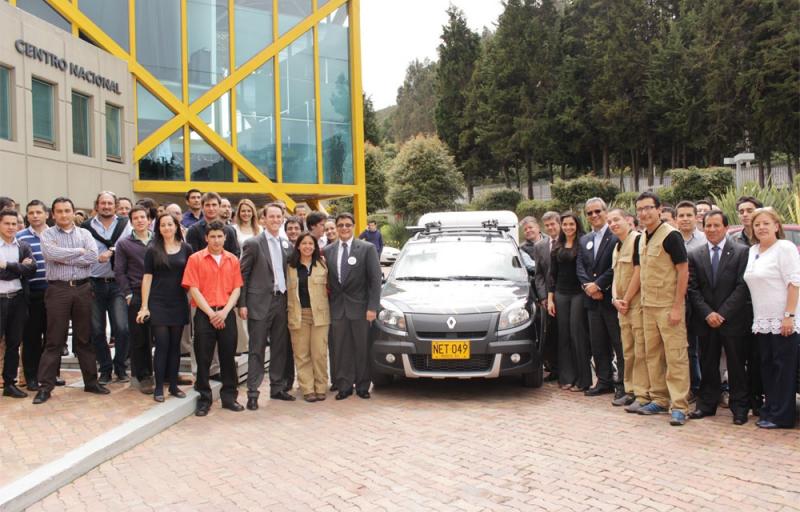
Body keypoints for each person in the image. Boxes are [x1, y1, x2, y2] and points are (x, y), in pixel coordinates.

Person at [34, 197, 109, 404]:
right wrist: (78, 252)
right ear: (53, 214)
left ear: (73, 212)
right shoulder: (48, 234)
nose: (63, 215)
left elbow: (92, 257)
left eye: (67, 210)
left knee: (84, 338)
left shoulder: (85, 234)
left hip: (83, 289)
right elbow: (51, 254)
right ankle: (45, 387)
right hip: (58, 290)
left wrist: (64, 257)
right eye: (59, 211)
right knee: (54, 340)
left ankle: (91, 382)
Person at [687, 211, 752, 425]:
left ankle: (740, 408)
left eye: (716, 225)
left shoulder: (741, 252)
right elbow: (692, 288)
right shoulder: (695, 254)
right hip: (706, 321)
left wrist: (722, 313)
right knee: (708, 364)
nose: (712, 229)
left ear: (726, 228)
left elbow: (742, 287)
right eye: (708, 225)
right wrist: (708, 313)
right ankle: (706, 405)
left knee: (736, 365)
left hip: (732, 320)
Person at [634, 191, 691, 426]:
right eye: (640, 209)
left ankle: (679, 406)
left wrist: (677, 307)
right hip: (648, 306)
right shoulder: (642, 237)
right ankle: (659, 398)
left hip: (668, 306)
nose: (644, 213)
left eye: (649, 208)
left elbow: (683, 271)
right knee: (653, 355)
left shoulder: (671, 235)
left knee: (676, 356)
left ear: (659, 209)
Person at [743, 207, 799, 429]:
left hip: (783, 320)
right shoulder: (753, 250)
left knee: (784, 369)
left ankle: (783, 416)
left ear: (776, 226)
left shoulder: (784, 248)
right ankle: (771, 410)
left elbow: (794, 283)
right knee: (767, 367)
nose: (761, 228)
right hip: (762, 321)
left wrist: (789, 316)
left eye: (766, 223)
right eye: (757, 224)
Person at [182, 221, 244, 416]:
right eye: (213, 236)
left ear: (225, 238)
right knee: (203, 358)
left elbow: (237, 288)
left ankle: (229, 397)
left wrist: (224, 312)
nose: (216, 240)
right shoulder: (195, 259)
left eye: (219, 236)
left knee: (228, 357)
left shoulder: (232, 259)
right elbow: (193, 289)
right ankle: (204, 399)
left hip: (226, 313)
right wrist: (211, 313)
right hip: (204, 313)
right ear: (206, 238)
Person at [239, 203, 294, 409]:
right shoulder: (253, 244)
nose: (275, 220)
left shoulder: (286, 244)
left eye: (279, 216)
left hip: (281, 301)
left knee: (280, 347)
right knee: (257, 349)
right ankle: (253, 393)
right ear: (263, 219)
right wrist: (242, 304)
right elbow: (243, 275)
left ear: (282, 219)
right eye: (271, 216)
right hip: (259, 303)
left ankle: (277, 388)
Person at [323, 212, 382, 400]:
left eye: (348, 225)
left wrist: (372, 307)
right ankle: (344, 385)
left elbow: (375, 280)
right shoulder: (328, 250)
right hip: (338, 309)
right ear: (336, 227)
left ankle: (363, 385)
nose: (344, 228)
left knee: (361, 347)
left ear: (354, 226)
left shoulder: (366, 248)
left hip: (361, 308)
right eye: (340, 225)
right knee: (341, 349)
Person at [139, 213, 192, 403]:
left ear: (176, 226)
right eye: (163, 225)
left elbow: (191, 277)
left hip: (178, 302)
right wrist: (144, 306)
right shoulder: (152, 250)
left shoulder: (186, 248)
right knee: (162, 345)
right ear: (158, 228)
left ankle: (174, 386)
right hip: (158, 302)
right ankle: (159, 386)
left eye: (170, 224)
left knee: (175, 347)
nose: (167, 228)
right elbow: (147, 278)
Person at [576, 198, 624, 399]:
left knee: (618, 343)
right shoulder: (584, 239)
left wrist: (598, 285)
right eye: (589, 213)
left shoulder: (615, 236)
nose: (594, 215)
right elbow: (580, 266)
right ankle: (604, 381)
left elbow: (616, 266)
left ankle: (622, 384)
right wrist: (588, 287)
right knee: (598, 343)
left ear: (605, 212)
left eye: (598, 211)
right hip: (592, 300)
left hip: (610, 298)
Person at [83, 191, 132, 384]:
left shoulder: (125, 224)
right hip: (94, 282)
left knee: (122, 328)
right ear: (97, 205)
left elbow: (129, 245)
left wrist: (111, 251)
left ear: (115, 206)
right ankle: (105, 368)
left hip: (118, 283)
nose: (106, 206)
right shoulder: (86, 226)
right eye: (102, 203)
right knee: (96, 330)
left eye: (110, 203)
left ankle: (120, 366)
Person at [546, 212, 592, 392]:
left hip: (578, 294)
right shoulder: (557, 247)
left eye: (571, 224)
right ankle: (567, 378)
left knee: (577, 335)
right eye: (565, 224)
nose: (568, 227)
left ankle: (583, 380)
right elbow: (552, 275)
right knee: (563, 335)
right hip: (561, 294)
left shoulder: (583, 244)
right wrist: (551, 299)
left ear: (577, 225)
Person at [17, 200, 58, 391]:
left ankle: (50, 375)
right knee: (31, 337)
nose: (35, 216)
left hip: (55, 291)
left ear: (47, 214)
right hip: (32, 293)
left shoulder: (56, 234)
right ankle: (31, 377)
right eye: (31, 212)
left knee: (53, 337)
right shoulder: (20, 237)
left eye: (38, 212)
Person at [608, 208, 646, 409]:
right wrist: (615, 298)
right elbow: (616, 275)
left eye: (616, 220)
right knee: (627, 351)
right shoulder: (617, 246)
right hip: (622, 307)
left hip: (636, 304)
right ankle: (629, 390)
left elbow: (639, 272)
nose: (613, 224)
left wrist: (627, 299)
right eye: (609, 222)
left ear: (627, 220)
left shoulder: (638, 240)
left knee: (641, 351)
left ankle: (643, 393)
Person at [114, 206, 155, 394]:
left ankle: (165, 372)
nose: (139, 220)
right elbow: (119, 271)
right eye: (135, 218)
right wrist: (128, 294)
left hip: (159, 293)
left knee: (162, 335)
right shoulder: (124, 244)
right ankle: (143, 376)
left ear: (149, 220)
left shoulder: (158, 239)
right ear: (131, 222)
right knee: (140, 337)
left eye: (143, 217)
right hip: (136, 293)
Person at [287, 232, 331, 402]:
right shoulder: (290, 267)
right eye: (304, 243)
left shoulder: (323, 264)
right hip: (298, 315)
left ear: (315, 247)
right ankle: (307, 388)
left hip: (320, 315)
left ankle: (321, 387)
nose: (307, 246)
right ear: (298, 246)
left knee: (319, 353)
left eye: (311, 244)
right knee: (301, 354)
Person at [0, 210, 37, 398]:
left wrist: (7, 265)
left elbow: (32, 269)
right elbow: (19, 271)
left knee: (14, 343)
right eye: (7, 223)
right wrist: (19, 268)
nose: (11, 227)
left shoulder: (23, 246)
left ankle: (9, 384)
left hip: (18, 299)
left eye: (14, 224)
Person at [675, 200, 705, 397]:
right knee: (687, 347)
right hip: (679, 300)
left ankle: (706, 388)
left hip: (701, 300)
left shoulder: (704, 239)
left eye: (689, 215)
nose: (685, 219)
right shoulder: (672, 238)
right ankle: (692, 387)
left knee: (704, 348)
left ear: (696, 217)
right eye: (681, 216)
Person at [532, 211, 560, 381]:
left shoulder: (568, 242)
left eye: (553, 224)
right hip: (547, 299)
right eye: (547, 225)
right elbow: (539, 275)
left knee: (567, 334)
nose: (550, 228)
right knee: (550, 335)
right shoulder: (539, 246)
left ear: (559, 223)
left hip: (565, 294)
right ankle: (554, 369)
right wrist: (543, 297)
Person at [185, 192, 240, 257]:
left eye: (214, 205)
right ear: (202, 207)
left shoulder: (230, 231)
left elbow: (235, 255)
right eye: (207, 205)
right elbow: (192, 256)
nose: (211, 208)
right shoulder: (193, 230)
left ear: (219, 206)